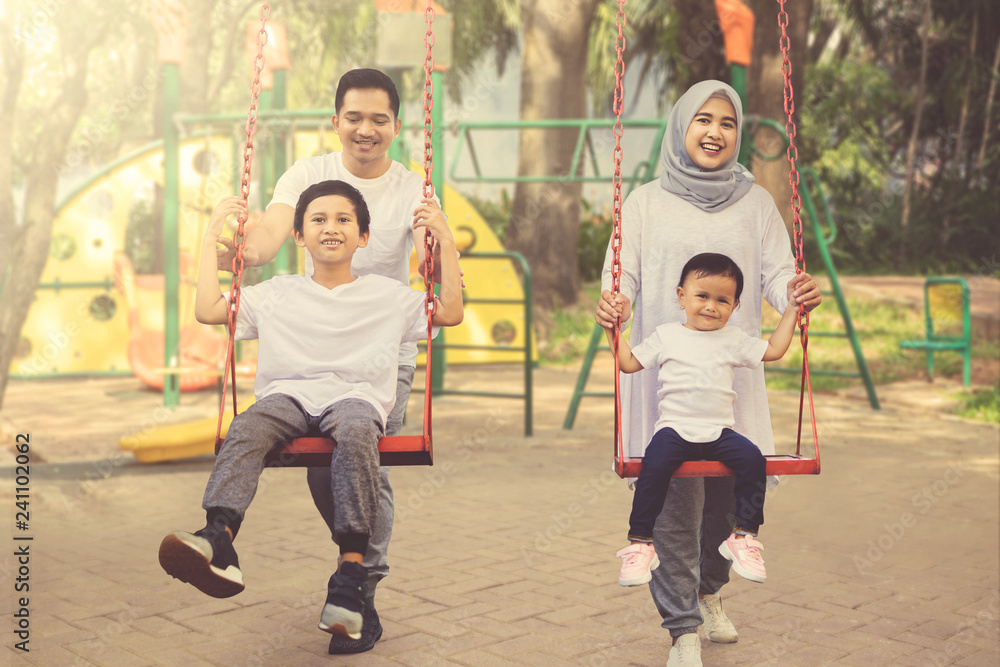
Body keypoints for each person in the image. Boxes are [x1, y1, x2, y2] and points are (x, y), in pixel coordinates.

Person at [215, 68, 456, 653]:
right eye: (354, 118)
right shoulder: (307, 175)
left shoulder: (412, 190)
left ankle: (360, 591)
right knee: (325, 470)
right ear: (336, 122)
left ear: (396, 126)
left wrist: (442, 241)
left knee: (360, 450)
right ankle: (352, 570)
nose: (365, 130)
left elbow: (440, 287)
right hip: (311, 351)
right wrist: (236, 248)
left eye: (379, 119)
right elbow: (272, 236)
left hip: (380, 351)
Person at [159, 180, 463, 641]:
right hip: (289, 398)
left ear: (364, 237)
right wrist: (208, 243)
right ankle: (218, 536)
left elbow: (451, 312)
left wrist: (446, 242)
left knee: (360, 431)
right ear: (298, 236)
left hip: (355, 400)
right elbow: (207, 310)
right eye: (317, 220)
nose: (331, 228)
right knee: (247, 427)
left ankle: (350, 572)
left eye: (344, 220)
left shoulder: (388, 295)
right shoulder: (276, 292)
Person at [595, 80, 822, 667]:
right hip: (667, 381)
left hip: (731, 380)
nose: (715, 131)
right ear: (680, 127)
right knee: (674, 506)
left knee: (724, 506)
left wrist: (795, 291)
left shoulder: (756, 204)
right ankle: (681, 631)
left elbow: (776, 276)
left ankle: (708, 592)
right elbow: (621, 279)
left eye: (727, 122)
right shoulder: (644, 202)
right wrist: (613, 305)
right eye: (703, 119)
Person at [610, 252, 800, 591]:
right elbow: (627, 363)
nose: (711, 306)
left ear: (735, 305)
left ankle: (743, 536)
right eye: (702, 296)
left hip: (718, 433)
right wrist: (612, 329)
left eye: (722, 300)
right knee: (654, 465)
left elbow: (773, 350)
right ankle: (640, 541)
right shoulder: (666, 335)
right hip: (675, 429)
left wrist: (792, 310)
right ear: (682, 296)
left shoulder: (733, 338)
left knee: (753, 460)